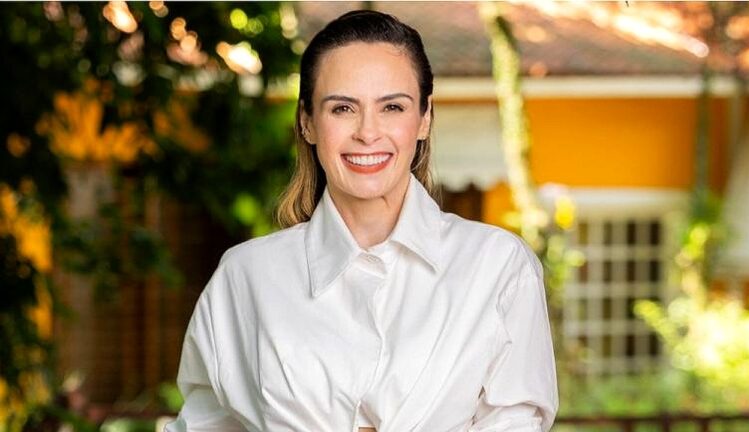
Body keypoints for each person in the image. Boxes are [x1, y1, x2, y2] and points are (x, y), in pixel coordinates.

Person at [165, 9, 558, 432]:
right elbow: (203, 424)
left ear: (424, 118)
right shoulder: (246, 277)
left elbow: (517, 423)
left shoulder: (497, 268)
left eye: (392, 106)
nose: (368, 132)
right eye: (342, 108)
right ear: (307, 122)